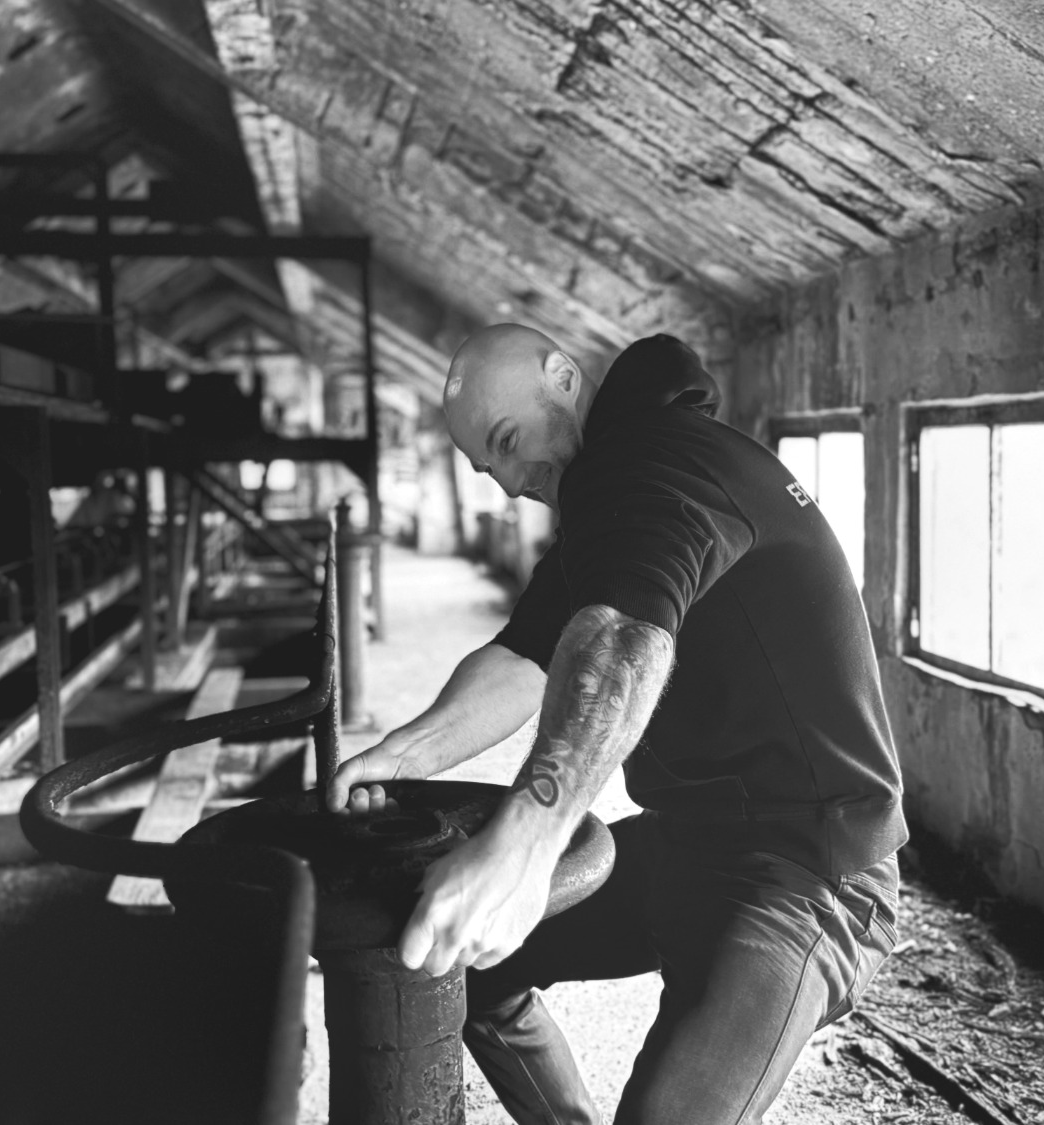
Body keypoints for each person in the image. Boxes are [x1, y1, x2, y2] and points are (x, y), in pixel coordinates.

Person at [327, 325, 905, 1125]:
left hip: (809, 873)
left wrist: (521, 848)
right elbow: (525, 655)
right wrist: (402, 755)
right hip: (692, 841)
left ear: (563, 377)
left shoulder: (653, 464)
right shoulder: (611, 497)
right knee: (471, 970)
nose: (511, 482)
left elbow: (620, 641)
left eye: (508, 442)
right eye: (488, 467)